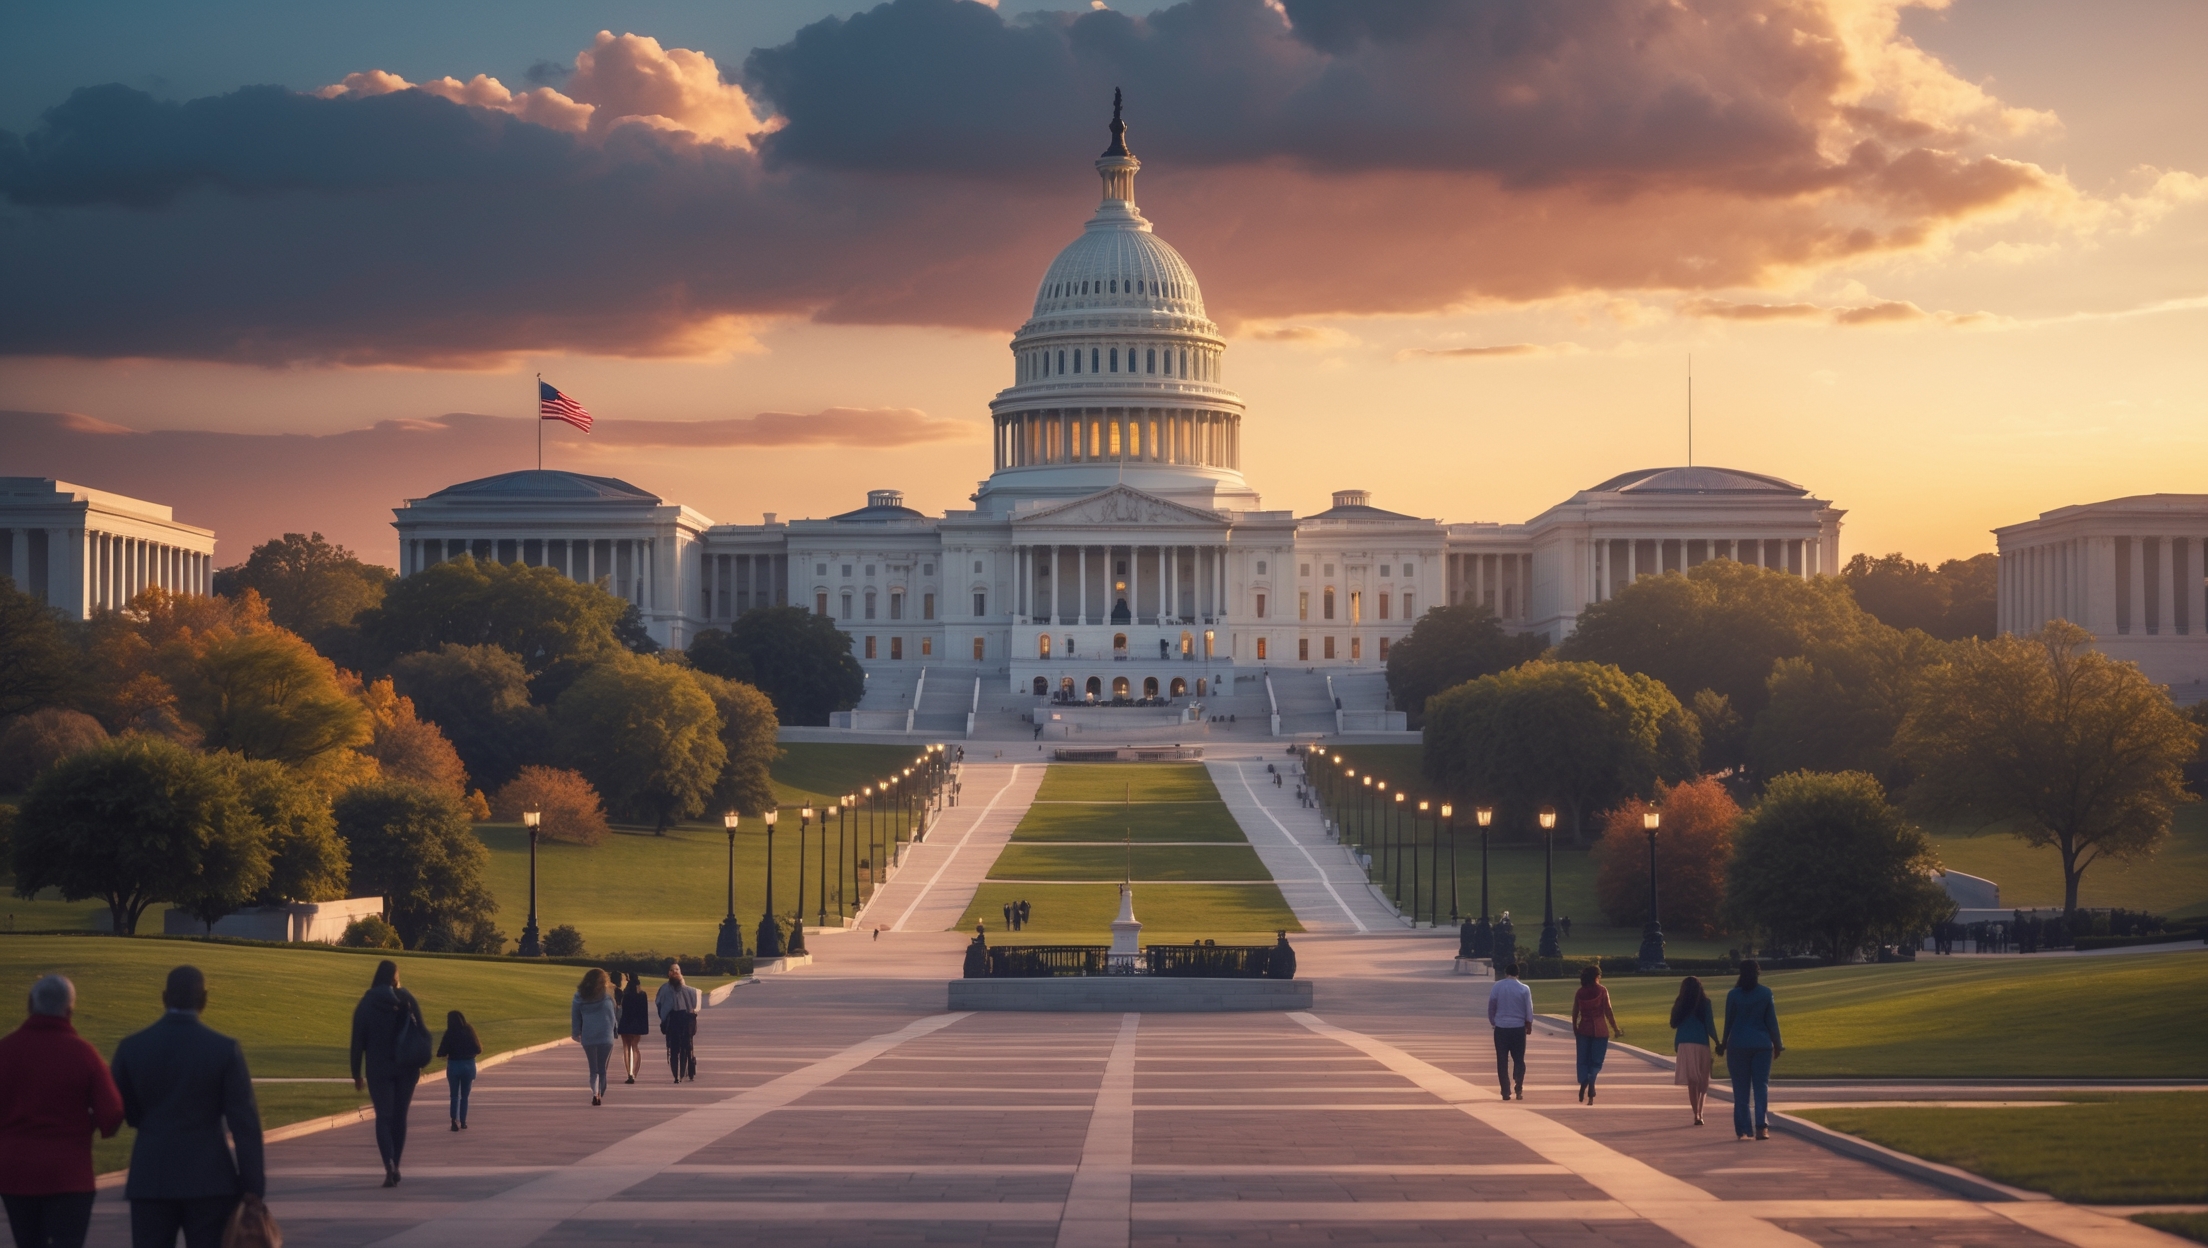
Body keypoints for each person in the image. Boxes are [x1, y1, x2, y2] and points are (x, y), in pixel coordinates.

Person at [110, 966, 264, 1247]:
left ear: (164, 997)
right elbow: (245, 1124)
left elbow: (124, 1110)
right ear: (204, 999)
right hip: (210, 1179)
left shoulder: (131, 1048)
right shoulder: (224, 1049)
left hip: (151, 1175)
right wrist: (253, 1186)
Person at [0, 975, 123, 1248]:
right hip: (69, 1174)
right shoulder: (83, 1054)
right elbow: (112, 1114)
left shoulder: (6, 1051)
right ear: (69, 1010)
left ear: (30, 1003)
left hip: (16, 1172)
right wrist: (86, 1123)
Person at [350, 960, 428, 1187]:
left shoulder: (366, 1004)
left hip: (378, 1068)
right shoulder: (407, 999)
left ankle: (388, 1164)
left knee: (383, 1117)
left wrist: (356, 1073)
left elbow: (358, 1042)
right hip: (406, 1067)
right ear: (394, 977)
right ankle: (397, 1163)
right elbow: (420, 1031)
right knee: (399, 1117)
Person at [1720, 960, 1784, 1140]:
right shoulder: (1765, 993)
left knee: (1740, 1090)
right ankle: (1761, 1127)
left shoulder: (1733, 995)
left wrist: (1724, 1042)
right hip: (1762, 1045)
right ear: (1758, 973)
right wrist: (1778, 1044)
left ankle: (1743, 1129)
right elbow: (1772, 1021)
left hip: (1738, 1045)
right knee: (1761, 1086)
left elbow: (1729, 1022)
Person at [1570, 965, 1622, 1104]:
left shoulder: (1580, 992)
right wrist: (1616, 1028)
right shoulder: (1602, 990)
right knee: (1596, 1060)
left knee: (1583, 1060)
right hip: (1600, 1030)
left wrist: (1574, 1026)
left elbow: (1575, 1011)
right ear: (1596, 976)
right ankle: (1592, 1080)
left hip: (1583, 1029)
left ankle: (1584, 1081)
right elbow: (1608, 1011)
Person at [1669, 976, 1716, 1126]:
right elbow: (1710, 1026)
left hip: (1684, 1044)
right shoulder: (1705, 1003)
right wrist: (1718, 1042)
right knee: (1703, 1080)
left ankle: (1696, 1113)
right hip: (1701, 1043)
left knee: (1692, 1081)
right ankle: (1700, 1113)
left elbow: (1673, 1024)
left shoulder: (1680, 1004)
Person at [1484, 961, 1533, 1101]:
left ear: (1506, 973)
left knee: (1502, 1060)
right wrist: (1528, 1024)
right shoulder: (1524, 988)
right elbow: (1529, 1010)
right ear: (1518, 974)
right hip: (1518, 1028)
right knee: (1519, 1059)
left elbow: (1491, 1007)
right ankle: (1519, 1085)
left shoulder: (1497, 986)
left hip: (1501, 1028)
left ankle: (1505, 1090)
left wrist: (1493, 1022)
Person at [571, 969, 617, 1106]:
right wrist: (615, 1031)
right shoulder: (607, 996)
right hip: (605, 1036)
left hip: (588, 1035)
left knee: (593, 1068)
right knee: (602, 1067)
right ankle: (600, 1092)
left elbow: (575, 1016)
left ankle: (595, 1092)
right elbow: (612, 1016)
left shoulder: (579, 996)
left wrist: (576, 1032)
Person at [655, 966, 702, 1083]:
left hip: (685, 1021)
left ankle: (681, 1074)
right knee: (674, 1049)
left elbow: (695, 1005)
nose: (675, 972)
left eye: (677, 970)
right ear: (668, 973)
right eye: (672, 970)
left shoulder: (689, 990)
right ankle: (676, 1075)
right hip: (672, 1021)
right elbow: (659, 1005)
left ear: (681, 972)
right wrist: (664, 1018)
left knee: (686, 1048)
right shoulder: (664, 989)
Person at [436, 1011, 481, 1132]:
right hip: (468, 1065)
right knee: (465, 1096)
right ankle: (463, 1121)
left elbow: (440, 1052)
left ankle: (453, 1121)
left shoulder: (449, 1033)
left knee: (454, 1095)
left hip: (454, 1066)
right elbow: (478, 1049)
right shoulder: (469, 1030)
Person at [615, 973, 650, 1085]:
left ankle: (629, 1072)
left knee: (626, 1047)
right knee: (635, 1047)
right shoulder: (642, 994)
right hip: (637, 1023)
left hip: (625, 1022)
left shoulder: (623, 994)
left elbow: (619, 1009)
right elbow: (644, 1012)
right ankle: (634, 1072)